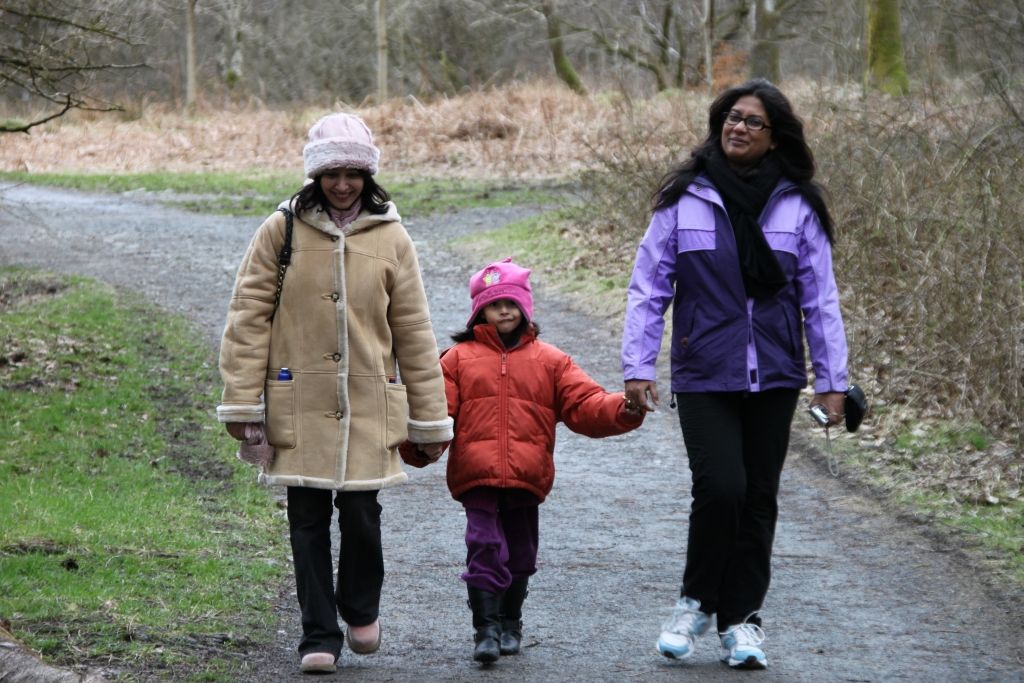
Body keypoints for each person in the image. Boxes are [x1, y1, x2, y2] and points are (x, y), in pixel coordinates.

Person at [621, 79, 848, 671]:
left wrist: (833, 380)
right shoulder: (684, 198)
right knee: (721, 488)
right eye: (731, 118)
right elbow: (649, 288)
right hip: (703, 370)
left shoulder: (798, 205)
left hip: (773, 372)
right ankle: (694, 602)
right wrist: (638, 366)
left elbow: (819, 299)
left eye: (752, 121)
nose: (738, 127)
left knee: (759, 499)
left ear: (775, 137)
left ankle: (741, 622)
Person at [217, 113, 453, 675]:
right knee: (306, 520)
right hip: (296, 401)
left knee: (361, 514)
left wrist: (430, 415)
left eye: (352, 173)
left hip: (369, 403)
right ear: (313, 176)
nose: (342, 184)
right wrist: (244, 403)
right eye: (331, 174)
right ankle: (318, 634)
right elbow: (248, 317)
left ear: (367, 175)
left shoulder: (392, 236)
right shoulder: (282, 230)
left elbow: (415, 331)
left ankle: (360, 607)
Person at [405, 257, 644, 664]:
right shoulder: (457, 359)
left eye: (511, 304)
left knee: (520, 552)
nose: (504, 311)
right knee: (482, 543)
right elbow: (436, 413)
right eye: (495, 304)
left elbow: (584, 402)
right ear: (479, 310)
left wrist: (624, 407)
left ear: (525, 308)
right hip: (476, 474)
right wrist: (418, 445)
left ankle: (510, 621)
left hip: (526, 476)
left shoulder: (551, 361)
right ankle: (486, 628)